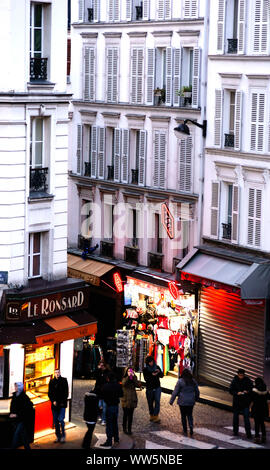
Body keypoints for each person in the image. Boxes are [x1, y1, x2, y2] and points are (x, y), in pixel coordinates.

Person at [169, 368, 200, 436]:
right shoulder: (193, 381)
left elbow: (175, 392)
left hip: (182, 401)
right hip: (191, 401)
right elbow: (197, 391)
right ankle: (191, 426)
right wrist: (196, 398)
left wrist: (171, 401)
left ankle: (185, 429)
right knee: (189, 415)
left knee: (183, 415)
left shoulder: (180, 381)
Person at [100, 372, 123, 447]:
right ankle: (116, 439)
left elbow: (102, 396)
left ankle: (109, 440)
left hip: (109, 406)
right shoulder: (118, 385)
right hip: (115, 406)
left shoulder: (105, 386)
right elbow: (121, 394)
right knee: (114, 423)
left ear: (108, 378)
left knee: (109, 424)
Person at [229, 368, 253, 438]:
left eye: (242, 375)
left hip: (245, 402)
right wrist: (237, 393)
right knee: (235, 418)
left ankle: (248, 433)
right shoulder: (234, 380)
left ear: (244, 375)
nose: (241, 376)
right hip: (237, 402)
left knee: (246, 418)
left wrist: (247, 391)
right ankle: (235, 432)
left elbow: (251, 388)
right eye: (240, 375)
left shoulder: (247, 380)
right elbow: (230, 390)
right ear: (238, 374)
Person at [9, 382, 34, 449]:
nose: (15, 388)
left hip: (22, 420)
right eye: (15, 386)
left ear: (20, 387)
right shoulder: (14, 395)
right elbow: (12, 406)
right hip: (16, 419)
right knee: (23, 435)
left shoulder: (24, 397)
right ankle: (27, 447)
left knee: (16, 435)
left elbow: (26, 410)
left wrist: (16, 415)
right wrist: (11, 413)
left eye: (17, 386)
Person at [48, 369, 69, 443]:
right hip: (54, 405)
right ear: (54, 373)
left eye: (58, 372)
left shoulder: (64, 380)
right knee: (56, 422)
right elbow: (49, 393)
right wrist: (53, 401)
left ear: (60, 373)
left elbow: (66, 393)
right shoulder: (51, 381)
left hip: (62, 404)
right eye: (56, 372)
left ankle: (63, 435)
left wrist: (62, 402)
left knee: (61, 420)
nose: (57, 374)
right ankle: (58, 436)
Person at [121, 367, 142, 435]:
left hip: (132, 399)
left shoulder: (134, 377)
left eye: (131, 371)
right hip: (125, 399)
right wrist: (128, 377)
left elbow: (138, 385)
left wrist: (133, 377)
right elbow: (124, 383)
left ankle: (129, 429)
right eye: (129, 371)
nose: (130, 372)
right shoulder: (124, 378)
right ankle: (124, 428)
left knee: (130, 416)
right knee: (125, 415)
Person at [143, 355, 163, 423]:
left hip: (157, 387)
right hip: (149, 388)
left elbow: (162, 375)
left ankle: (156, 415)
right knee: (150, 402)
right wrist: (152, 375)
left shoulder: (157, 367)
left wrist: (159, 372)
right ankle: (151, 415)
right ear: (147, 363)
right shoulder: (145, 369)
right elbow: (146, 379)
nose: (151, 363)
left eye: (152, 361)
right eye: (150, 362)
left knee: (157, 401)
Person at [250, 377, 270, 444]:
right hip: (264, 409)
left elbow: (252, 399)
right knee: (262, 423)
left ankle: (257, 437)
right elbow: (268, 399)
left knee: (257, 423)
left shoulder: (254, 390)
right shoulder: (266, 389)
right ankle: (264, 437)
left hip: (256, 408)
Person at [94, 360, 110, 425]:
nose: (101, 366)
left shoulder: (107, 372)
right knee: (99, 405)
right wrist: (98, 369)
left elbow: (107, 380)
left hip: (105, 392)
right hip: (99, 391)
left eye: (102, 365)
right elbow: (96, 377)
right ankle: (100, 416)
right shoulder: (99, 371)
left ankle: (104, 419)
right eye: (100, 365)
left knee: (104, 407)